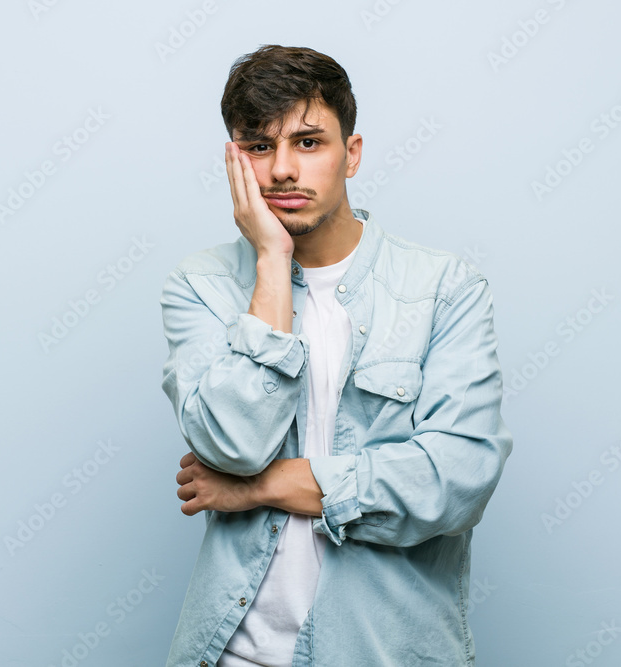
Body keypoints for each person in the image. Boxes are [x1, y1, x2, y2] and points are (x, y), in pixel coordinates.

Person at [160, 44, 513, 667]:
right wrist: (272, 263)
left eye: (308, 142)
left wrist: (260, 487)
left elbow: (456, 480)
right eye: (259, 147)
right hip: (233, 652)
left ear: (351, 153)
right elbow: (232, 445)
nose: (282, 171)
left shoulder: (444, 288)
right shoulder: (202, 286)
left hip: (382, 652)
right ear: (234, 159)